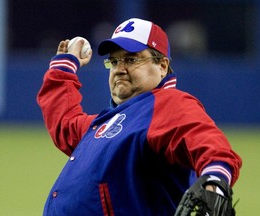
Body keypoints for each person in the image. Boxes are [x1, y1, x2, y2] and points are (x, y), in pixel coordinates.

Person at [37, 18, 242, 215]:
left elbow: (207, 143)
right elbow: (66, 124)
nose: (120, 69)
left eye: (131, 59)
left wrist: (216, 179)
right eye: (114, 61)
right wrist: (63, 69)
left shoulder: (167, 104)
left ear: (162, 66)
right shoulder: (110, 121)